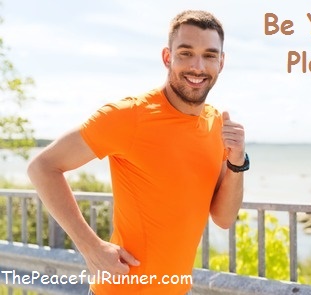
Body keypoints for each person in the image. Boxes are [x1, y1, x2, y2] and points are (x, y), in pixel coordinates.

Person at [27, 10, 248, 295]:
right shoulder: (128, 115)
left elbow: (224, 218)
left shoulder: (217, 123)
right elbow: (42, 167)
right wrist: (90, 247)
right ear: (167, 57)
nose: (197, 66)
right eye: (185, 53)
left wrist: (237, 162)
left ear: (221, 61)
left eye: (209, 55)